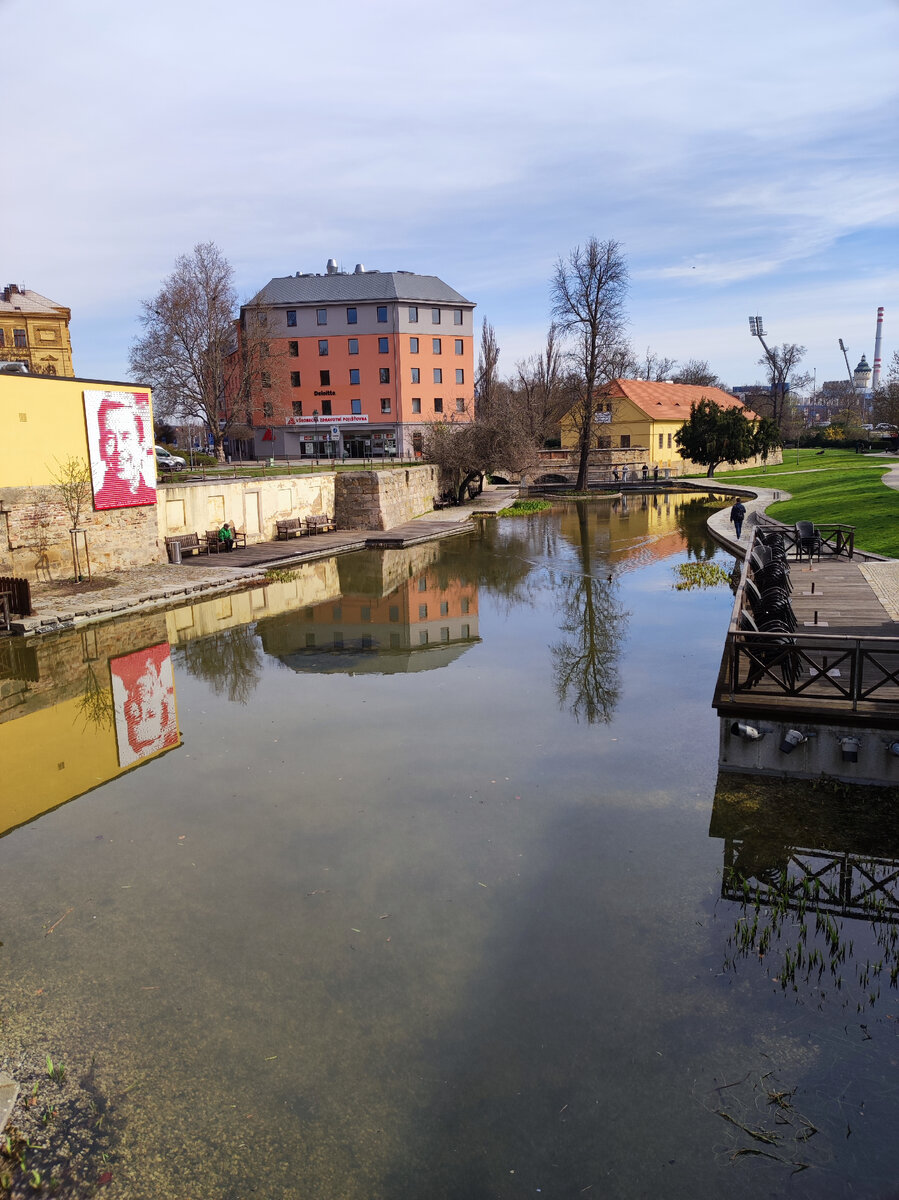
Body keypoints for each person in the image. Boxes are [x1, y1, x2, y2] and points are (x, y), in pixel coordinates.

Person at [93, 396, 156, 509]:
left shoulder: (150, 494)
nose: (119, 448)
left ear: (141, 445)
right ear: (101, 447)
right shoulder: (100, 499)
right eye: (110, 439)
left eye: (126, 437)